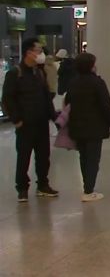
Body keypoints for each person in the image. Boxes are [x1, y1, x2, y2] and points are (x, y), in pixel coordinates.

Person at [2, 38, 59, 202]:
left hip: (41, 122)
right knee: (24, 157)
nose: (41, 54)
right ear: (29, 52)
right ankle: (22, 188)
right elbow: (7, 99)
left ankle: (43, 184)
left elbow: (46, 97)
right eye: (39, 51)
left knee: (43, 156)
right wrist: (17, 120)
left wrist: (54, 117)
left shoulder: (39, 73)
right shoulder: (15, 73)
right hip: (25, 124)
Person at [64, 53, 110, 202]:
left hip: (77, 126)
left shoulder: (73, 82)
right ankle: (89, 190)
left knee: (84, 157)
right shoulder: (97, 83)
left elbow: (68, 102)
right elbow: (106, 105)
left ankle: (86, 186)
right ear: (90, 66)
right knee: (93, 159)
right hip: (95, 127)